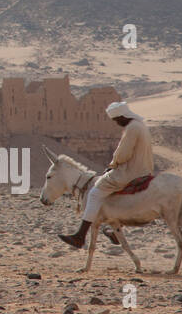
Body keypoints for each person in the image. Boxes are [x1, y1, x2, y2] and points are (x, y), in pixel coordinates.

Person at [59, 101, 154, 248]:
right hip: (144, 169)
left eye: (117, 119)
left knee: (94, 193)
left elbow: (123, 153)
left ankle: (80, 235)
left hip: (130, 172)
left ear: (123, 116)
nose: (116, 123)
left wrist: (113, 165)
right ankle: (115, 231)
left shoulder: (132, 128)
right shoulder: (140, 125)